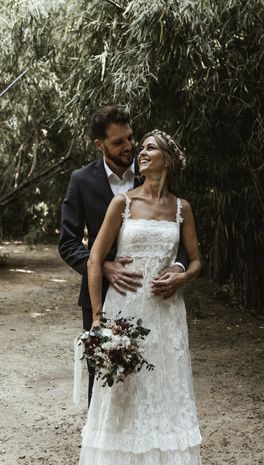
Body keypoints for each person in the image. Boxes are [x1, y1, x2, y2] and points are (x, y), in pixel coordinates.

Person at [77, 129, 222, 465]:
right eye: (139, 147)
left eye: (149, 148)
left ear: (167, 160)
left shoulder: (181, 208)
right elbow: (95, 259)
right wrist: (97, 320)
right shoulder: (123, 203)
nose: (140, 152)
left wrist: (181, 275)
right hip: (124, 309)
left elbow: (196, 259)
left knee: (166, 390)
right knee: (123, 392)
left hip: (166, 314)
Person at [58, 105, 187, 405]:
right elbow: (68, 243)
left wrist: (179, 267)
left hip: (153, 298)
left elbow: (177, 227)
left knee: (152, 373)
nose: (129, 147)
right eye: (118, 142)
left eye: (130, 138)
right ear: (99, 145)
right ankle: (101, 445)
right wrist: (103, 266)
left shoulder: (151, 173)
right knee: (103, 376)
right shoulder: (81, 180)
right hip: (101, 294)